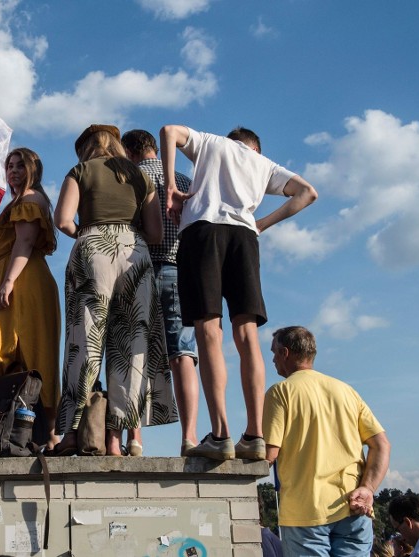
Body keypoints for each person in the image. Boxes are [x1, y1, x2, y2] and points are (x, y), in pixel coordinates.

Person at [160, 124, 318, 460]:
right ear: (254, 149)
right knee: (247, 334)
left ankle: (220, 435)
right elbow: (307, 192)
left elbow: (169, 130)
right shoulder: (264, 165)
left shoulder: (212, 144)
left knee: (208, 330)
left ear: (234, 143)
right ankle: (255, 435)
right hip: (245, 238)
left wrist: (172, 186)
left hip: (203, 231)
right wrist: (260, 224)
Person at [52, 124, 177, 456]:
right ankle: (116, 441)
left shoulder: (80, 171)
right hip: (135, 252)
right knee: (130, 349)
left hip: (93, 246)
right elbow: (154, 232)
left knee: (84, 344)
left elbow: (63, 220)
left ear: (88, 148)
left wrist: (88, 233)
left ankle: (72, 435)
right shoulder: (140, 178)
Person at [263, 326, 390, 556]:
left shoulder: (280, 392)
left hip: (305, 512)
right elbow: (381, 445)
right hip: (354, 507)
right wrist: (368, 488)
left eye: (273, 353)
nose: (272, 359)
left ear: (285, 353)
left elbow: (269, 454)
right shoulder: (346, 391)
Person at [122, 128, 199, 457]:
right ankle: (190, 436)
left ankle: (135, 437)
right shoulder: (183, 181)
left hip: (137, 267)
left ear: (130, 152)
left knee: (133, 351)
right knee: (182, 353)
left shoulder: (128, 180)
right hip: (178, 268)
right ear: (153, 148)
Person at [0, 147, 62, 449]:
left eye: (20, 165)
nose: (13, 171)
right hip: (21, 280)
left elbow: (25, 242)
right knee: (17, 351)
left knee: (27, 350)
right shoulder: (23, 199)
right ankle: (20, 430)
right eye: (9, 166)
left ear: (33, 168)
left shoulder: (30, 199)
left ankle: (52, 433)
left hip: (25, 282)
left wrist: (8, 282)